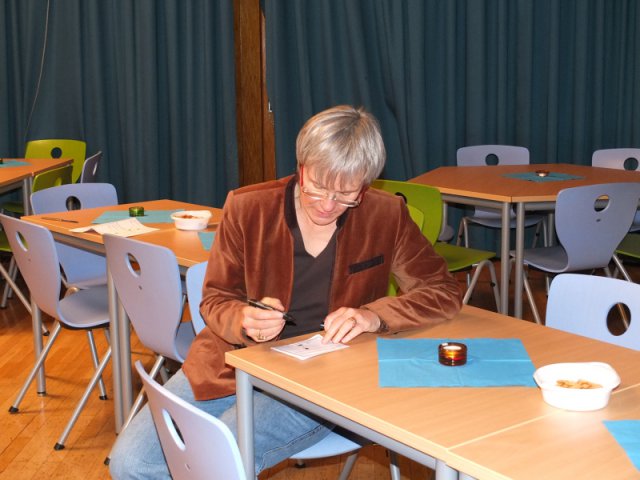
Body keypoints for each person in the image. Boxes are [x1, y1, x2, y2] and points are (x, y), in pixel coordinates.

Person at [109, 105, 462, 478]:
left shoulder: (385, 214)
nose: (328, 205)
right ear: (301, 167)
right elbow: (215, 299)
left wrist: (373, 316)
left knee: (218, 457)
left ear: (366, 184)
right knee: (131, 464)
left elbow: (441, 290)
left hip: (326, 382)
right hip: (231, 363)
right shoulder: (248, 207)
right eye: (318, 187)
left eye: (346, 194)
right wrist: (243, 320)